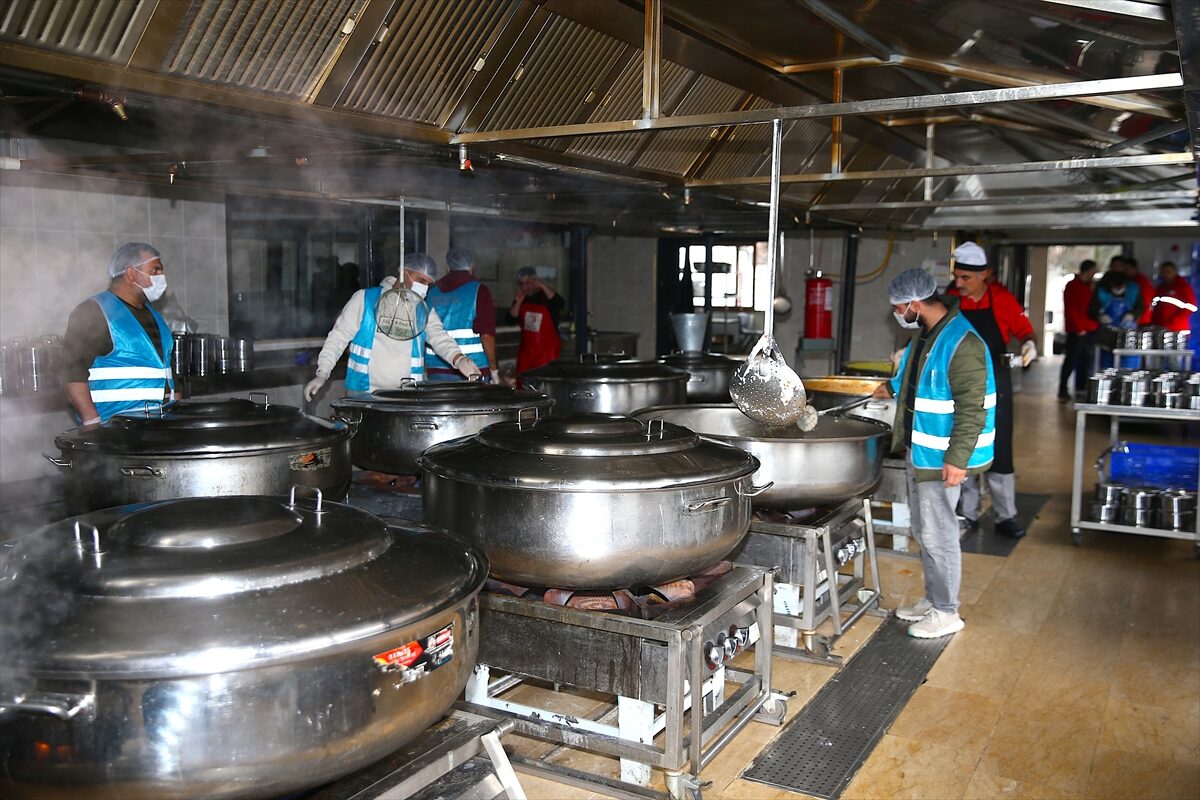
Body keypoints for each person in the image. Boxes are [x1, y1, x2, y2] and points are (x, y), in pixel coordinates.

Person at [872, 268, 995, 639]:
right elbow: (917, 376)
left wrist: (958, 459)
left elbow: (974, 408)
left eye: (898, 307)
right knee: (924, 530)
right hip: (922, 449)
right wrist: (891, 388)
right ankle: (934, 598)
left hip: (942, 458)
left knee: (939, 533)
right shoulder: (927, 333)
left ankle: (946, 611)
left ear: (914, 303)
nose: (897, 314)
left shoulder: (963, 343)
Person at [947, 241, 1036, 540]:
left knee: (1000, 449)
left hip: (996, 382)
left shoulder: (1002, 299)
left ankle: (1005, 514)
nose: (959, 284)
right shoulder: (950, 300)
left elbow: (1025, 329)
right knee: (963, 443)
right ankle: (967, 512)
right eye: (956, 277)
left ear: (984, 274)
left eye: (965, 278)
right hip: (958, 383)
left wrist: (1029, 344)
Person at [304, 254, 480, 400]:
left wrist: (459, 359)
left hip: (407, 395)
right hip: (364, 394)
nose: (425, 288)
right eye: (421, 280)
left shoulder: (422, 310)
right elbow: (338, 337)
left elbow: (440, 338)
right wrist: (323, 372)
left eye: (428, 283)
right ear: (403, 273)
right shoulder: (365, 299)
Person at [60, 242, 175, 426]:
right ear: (131, 273)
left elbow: (168, 372)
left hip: (158, 427)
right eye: (155, 271)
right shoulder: (95, 312)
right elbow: (71, 371)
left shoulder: (155, 316)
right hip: (115, 428)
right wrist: (91, 422)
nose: (161, 278)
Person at [425, 247, 498, 382]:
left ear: (447, 267)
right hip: (473, 369)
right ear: (472, 266)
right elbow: (486, 335)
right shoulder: (479, 290)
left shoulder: (431, 291)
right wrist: (494, 368)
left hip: (436, 369)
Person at [508, 267, 565, 380]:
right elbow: (510, 319)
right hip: (526, 353)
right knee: (524, 382)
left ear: (535, 281)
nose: (526, 287)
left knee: (544, 381)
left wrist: (541, 285)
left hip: (547, 353)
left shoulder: (546, 297)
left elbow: (560, 303)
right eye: (522, 284)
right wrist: (518, 302)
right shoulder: (523, 299)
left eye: (528, 282)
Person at [1058, 259, 1098, 401]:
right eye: (1094, 271)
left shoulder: (1088, 286)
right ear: (1089, 270)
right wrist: (1079, 328)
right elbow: (1072, 309)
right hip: (1078, 330)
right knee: (1071, 360)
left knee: (1086, 360)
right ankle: (1063, 390)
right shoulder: (1073, 286)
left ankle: (1081, 388)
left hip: (1089, 328)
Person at [1151, 261, 1197, 332]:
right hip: (1161, 328)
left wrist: (1174, 320)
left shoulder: (1183, 287)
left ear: (1174, 272)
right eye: (1163, 272)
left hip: (1177, 329)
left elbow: (1191, 307)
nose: (1165, 274)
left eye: (1168, 272)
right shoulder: (1161, 288)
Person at [1124, 257, 1156, 326]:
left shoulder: (1140, 281)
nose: (1125, 272)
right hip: (1140, 316)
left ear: (1134, 268)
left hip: (1141, 318)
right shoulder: (1133, 280)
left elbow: (1145, 300)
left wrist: (1138, 316)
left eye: (1127, 269)